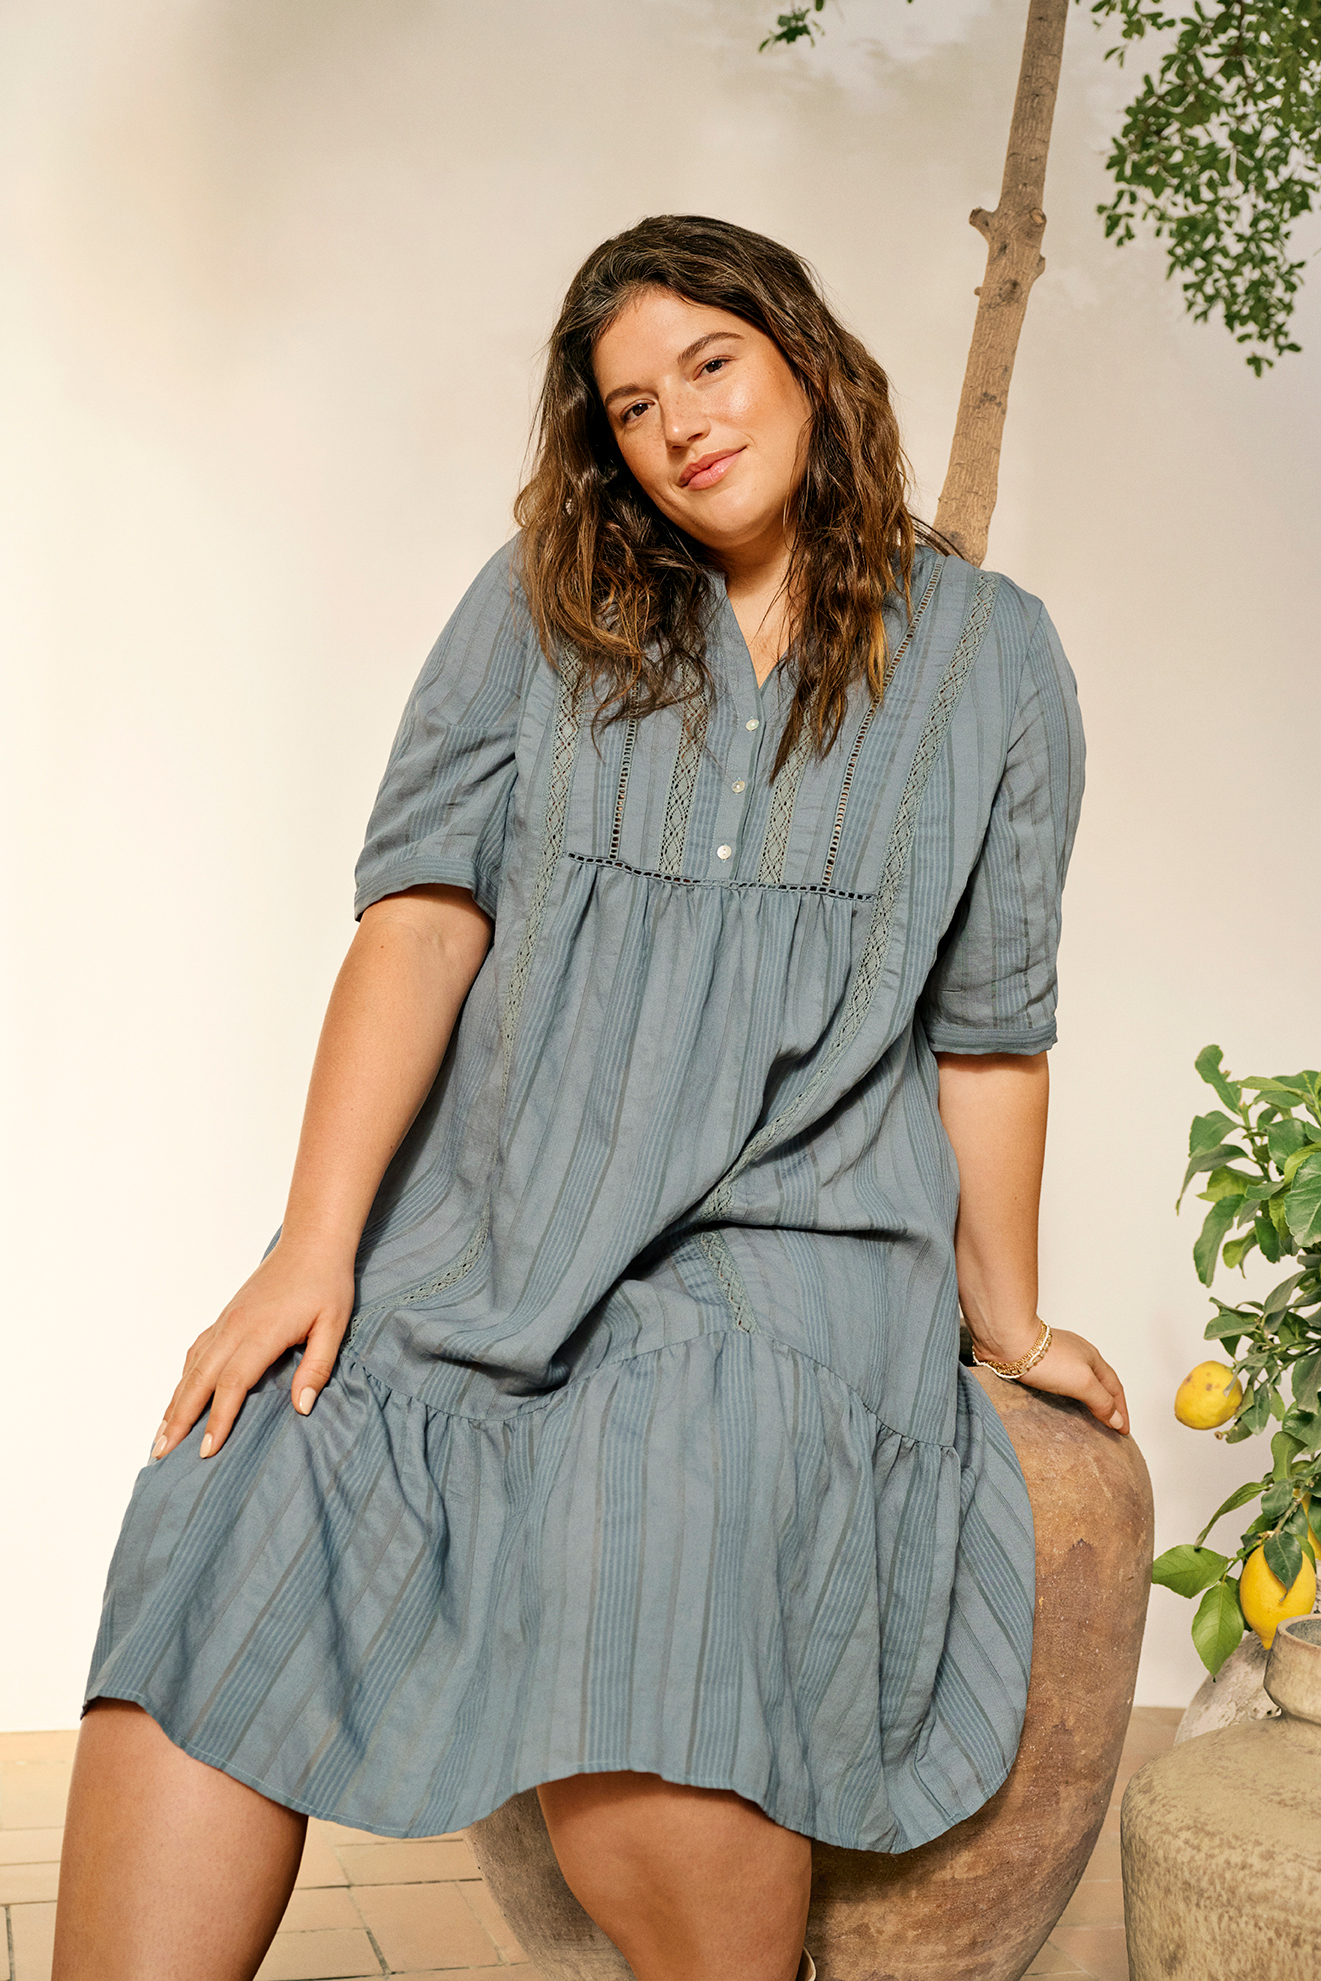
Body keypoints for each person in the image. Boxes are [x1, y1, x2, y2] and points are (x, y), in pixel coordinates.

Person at [53, 213, 1129, 1981]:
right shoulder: (542, 604)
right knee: (229, 1483)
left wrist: (1001, 1317)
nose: (678, 423)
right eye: (631, 406)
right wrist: (312, 1245)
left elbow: (993, 1029)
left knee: (668, 1485)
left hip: (790, 1246)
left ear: (806, 359)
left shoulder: (994, 657)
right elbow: (420, 919)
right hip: (504, 1211)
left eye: (709, 363)